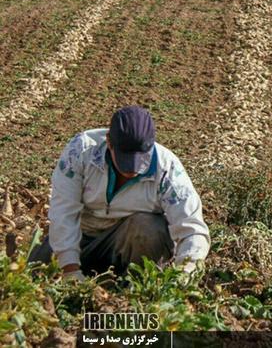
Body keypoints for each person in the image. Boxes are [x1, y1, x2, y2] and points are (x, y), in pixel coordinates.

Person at [29, 105, 210, 281]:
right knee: (34, 275)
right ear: (109, 142)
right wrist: (69, 270)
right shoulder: (81, 152)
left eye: (141, 158)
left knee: (149, 227)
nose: (133, 168)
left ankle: (131, 285)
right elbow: (63, 213)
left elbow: (192, 228)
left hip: (127, 244)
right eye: (125, 158)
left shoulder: (168, 170)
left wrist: (185, 272)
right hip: (80, 236)